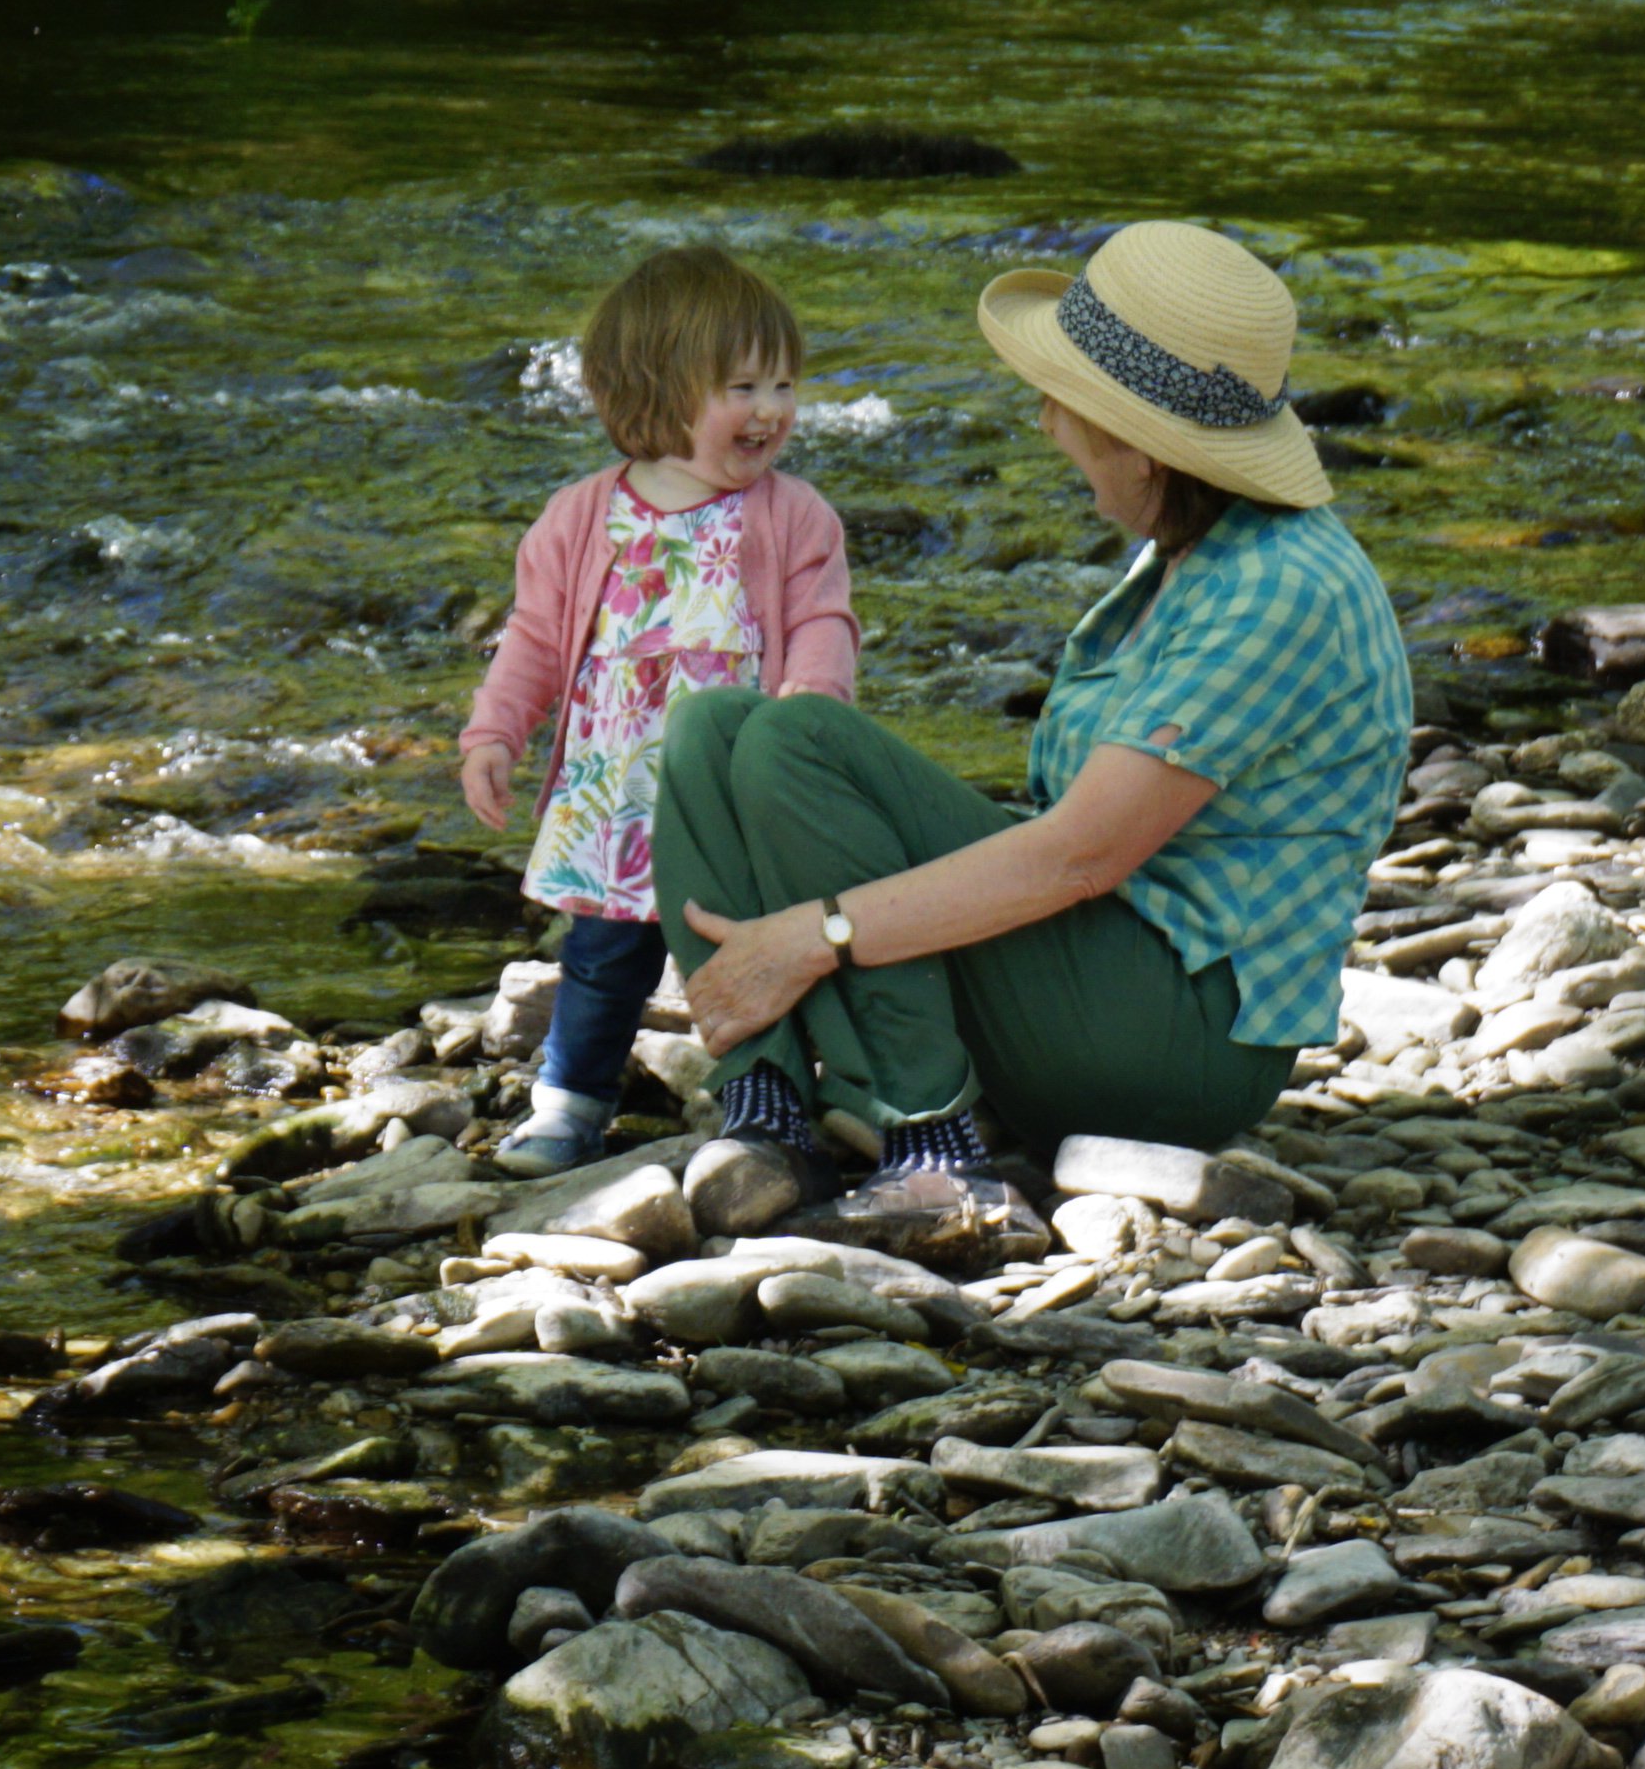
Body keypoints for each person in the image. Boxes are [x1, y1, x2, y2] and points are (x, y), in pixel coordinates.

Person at [659, 218, 1412, 1244]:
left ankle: (933, 1146)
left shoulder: (1280, 587)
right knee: (714, 728)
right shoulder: (1195, 546)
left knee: (799, 747)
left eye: (1063, 396)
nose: (1044, 418)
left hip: (1175, 1043)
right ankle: (768, 1109)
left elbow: (1080, 854)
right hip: (1092, 980)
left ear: (1141, 444)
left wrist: (815, 933)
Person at [452, 245, 863, 1178]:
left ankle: (771, 1097)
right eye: (741, 387)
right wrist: (494, 734)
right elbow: (534, 643)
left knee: (754, 946)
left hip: (733, 784)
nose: (771, 410)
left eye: (784, 385)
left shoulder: (794, 515)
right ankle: (568, 1106)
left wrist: (809, 705)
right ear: (655, 388)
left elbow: (823, 622)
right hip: (615, 789)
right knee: (602, 956)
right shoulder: (579, 516)